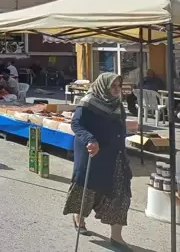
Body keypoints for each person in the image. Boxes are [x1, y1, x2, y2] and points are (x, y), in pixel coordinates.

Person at [63, 72, 132, 250]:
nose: (117, 90)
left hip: (114, 154)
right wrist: (90, 139)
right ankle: (79, 218)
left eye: (119, 86)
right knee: (86, 190)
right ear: (103, 85)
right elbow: (76, 124)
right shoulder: (88, 102)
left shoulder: (117, 104)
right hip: (91, 151)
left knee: (121, 193)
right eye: (113, 86)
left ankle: (116, 237)